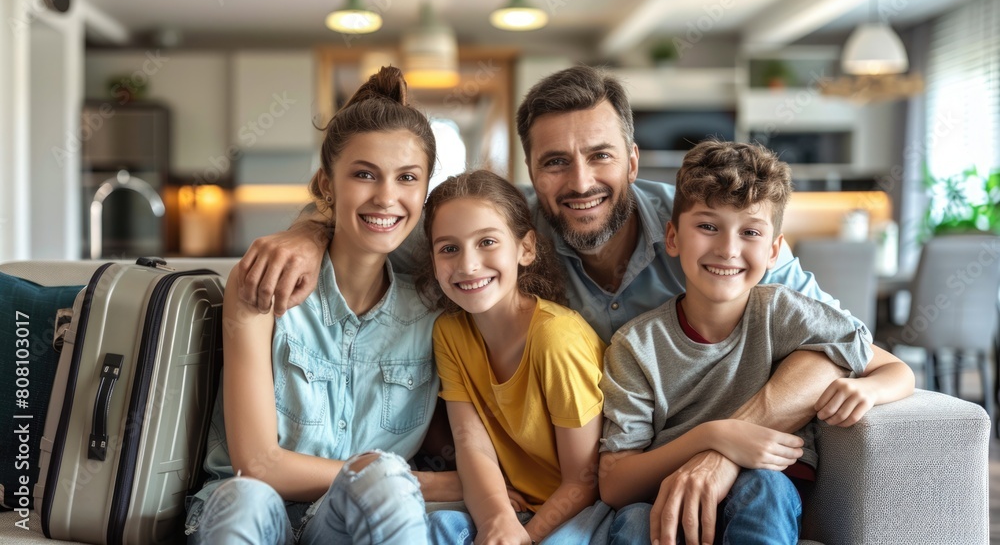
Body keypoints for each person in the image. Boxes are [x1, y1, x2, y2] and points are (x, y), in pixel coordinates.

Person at [233, 65, 905, 541]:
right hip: (607, 486)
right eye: (555, 162)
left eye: (600, 156)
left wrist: (725, 446)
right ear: (531, 174)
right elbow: (386, 227)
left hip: (647, 474)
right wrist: (310, 229)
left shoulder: (708, 232)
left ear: (634, 161)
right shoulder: (499, 243)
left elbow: (833, 349)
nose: (580, 181)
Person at [184, 66, 462, 544]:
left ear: (425, 191)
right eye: (363, 174)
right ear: (326, 184)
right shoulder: (261, 284)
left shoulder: (436, 304)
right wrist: (425, 481)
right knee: (252, 496)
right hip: (250, 510)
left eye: (408, 178)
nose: (387, 197)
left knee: (383, 481)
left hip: (348, 521)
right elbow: (259, 463)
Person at [598, 140, 915, 545]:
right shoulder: (636, 345)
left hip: (766, 488)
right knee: (635, 521)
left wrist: (867, 388)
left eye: (749, 232)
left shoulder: (786, 313)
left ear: (773, 251)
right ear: (673, 237)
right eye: (708, 226)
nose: (728, 249)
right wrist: (713, 435)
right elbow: (614, 484)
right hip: (670, 497)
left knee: (765, 486)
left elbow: (896, 370)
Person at [416, 170, 612, 544]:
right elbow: (471, 444)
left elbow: (582, 482)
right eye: (449, 248)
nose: (468, 265)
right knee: (438, 528)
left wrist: (523, 536)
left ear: (526, 248)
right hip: (511, 504)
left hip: (581, 509)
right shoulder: (449, 333)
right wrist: (496, 519)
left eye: (487, 241)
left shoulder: (556, 339)